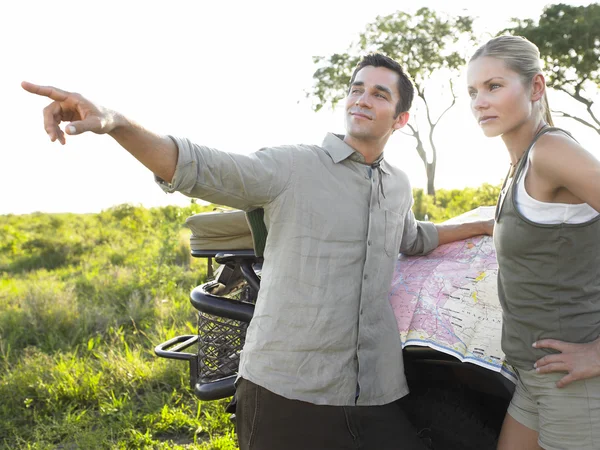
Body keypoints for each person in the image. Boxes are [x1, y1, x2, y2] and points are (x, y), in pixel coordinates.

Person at [24, 53, 492, 450]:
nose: (361, 99)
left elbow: (413, 238)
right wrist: (115, 122)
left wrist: (488, 222)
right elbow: (195, 165)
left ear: (400, 118)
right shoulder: (293, 166)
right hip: (287, 390)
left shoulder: (398, 184)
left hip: (377, 391)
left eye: (378, 94)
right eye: (357, 89)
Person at [467, 35, 600, 450]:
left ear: (536, 87)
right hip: (533, 377)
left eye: (494, 86)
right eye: (473, 91)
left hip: (575, 383)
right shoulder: (519, 165)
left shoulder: (552, 151)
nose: (479, 102)